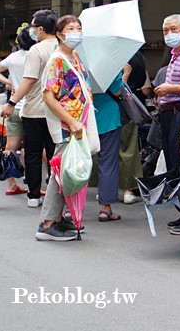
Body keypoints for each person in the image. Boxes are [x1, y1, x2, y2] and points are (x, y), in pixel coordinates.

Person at [38, 14, 97, 242]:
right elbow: (49, 97)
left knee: (68, 170)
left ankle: (58, 217)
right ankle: (48, 222)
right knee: (61, 171)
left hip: (77, 124)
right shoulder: (57, 60)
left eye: (79, 28)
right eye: (71, 28)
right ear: (60, 34)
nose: (76, 32)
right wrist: (71, 122)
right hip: (67, 126)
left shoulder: (74, 56)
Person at [1, 9, 60, 207]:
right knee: (55, 153)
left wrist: (11, 103)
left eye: (33, 27)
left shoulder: (37, 49)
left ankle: (34, 195)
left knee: (33, 153)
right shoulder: (64, 47)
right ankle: (56, 192)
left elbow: (28, 81)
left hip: (35, 109)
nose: (32, 31)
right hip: (59, 111)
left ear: (41, 29)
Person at [153, 14, 180, 235]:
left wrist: (171, 89)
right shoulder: (173, 54)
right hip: (169, 113)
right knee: (173, 166)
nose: (169, 34)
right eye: (165, 30)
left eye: (173, 29)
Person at [0, 26, 36, 194]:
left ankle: (11, 185)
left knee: (10, 148)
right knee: (36, 149)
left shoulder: (13, 57)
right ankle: (35, 186)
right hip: (33, 108)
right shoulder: (37, 56)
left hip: (14, 106)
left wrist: (10, 84)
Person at [91, 68, 127, 223]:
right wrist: (125, 73)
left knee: (77, 163)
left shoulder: (77, 62)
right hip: (108, 117)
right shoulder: (109, 65)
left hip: (83, 116)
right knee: (108, 163)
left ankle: (69, 210)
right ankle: (105, 209)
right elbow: (118, 91)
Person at [119, 51, 148, 204]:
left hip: (106, 109)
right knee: (129, 149)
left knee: (107, 151)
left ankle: (106, 188)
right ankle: (127, 189)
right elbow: (144, 85)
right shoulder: (137, 56)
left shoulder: (109, 57)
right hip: (128, 107)